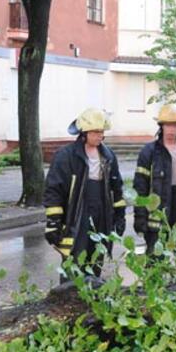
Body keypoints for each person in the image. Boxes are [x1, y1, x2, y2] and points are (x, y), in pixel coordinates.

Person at [43, 108, 126, 282]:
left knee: (96, 256)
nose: (99, 136)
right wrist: (53, 222)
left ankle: (91, 299)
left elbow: (116, 188)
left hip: (101, 215)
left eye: (102, 132)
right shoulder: (66, 156)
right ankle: (67, 301)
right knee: (73, 261)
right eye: (95, 132)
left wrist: (119, 216)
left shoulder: (108, 156)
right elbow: (53, 190)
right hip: (76, 216)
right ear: (83, 132)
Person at [133, 104, 176, 255]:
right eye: (168, 125)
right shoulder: (149, 152)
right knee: (156, 258)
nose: (171, 129)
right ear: (161, 126)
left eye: (175, 126)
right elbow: (140, 188)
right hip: (158, 212)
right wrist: (140, 216)